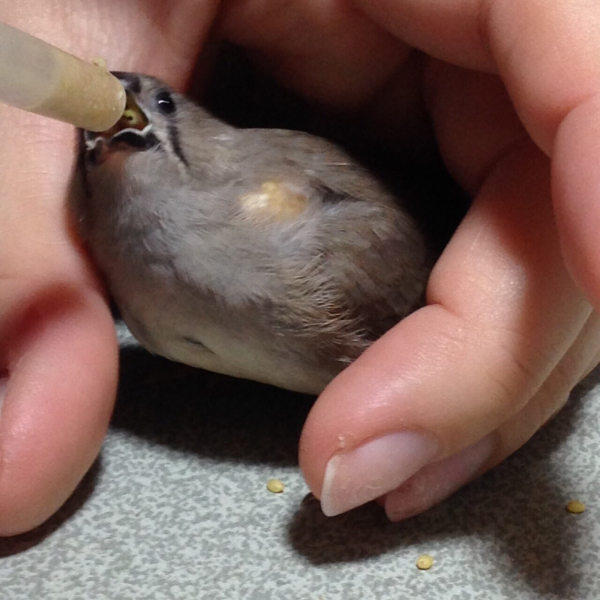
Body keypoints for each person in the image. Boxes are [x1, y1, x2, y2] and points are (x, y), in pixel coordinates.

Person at [1, 0, 599, 535]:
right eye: (89, 149)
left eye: (161, 103)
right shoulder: (125, 285)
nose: (121, 128)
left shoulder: (300, 239)